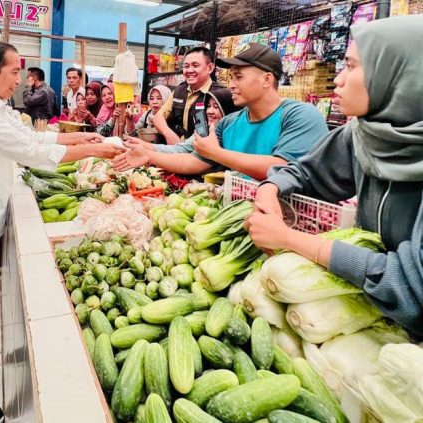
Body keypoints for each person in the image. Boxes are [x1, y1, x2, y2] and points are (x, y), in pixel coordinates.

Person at [0, 41, 124, 422]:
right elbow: (30, 152)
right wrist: (95, 152)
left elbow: (36, 138)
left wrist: (78, 138)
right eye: (13, 73)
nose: (19, 81)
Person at [246, 16, 423, 340]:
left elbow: (414, 287)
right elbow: (306, 171)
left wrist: (292, 240)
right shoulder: (363, 135)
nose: (338, 81)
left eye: (351, 67)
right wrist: (271, 188)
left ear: (400, 76)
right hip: (372, 310)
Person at [113, 43, 328, 181]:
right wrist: (149, 154)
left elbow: (281, 168)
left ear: (267, 79)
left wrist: (216, 153)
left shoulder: (301, 116)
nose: (231, 85)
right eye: (231, 77)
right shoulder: (230, 123)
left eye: (239, 77)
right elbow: (194, 160)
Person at [127, 86, 239, 152]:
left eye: (216, 107)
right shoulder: (203, 130)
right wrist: (144, 146)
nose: (209, 111)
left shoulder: (234, 133)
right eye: (208, 106)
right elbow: (181, 149)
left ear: (210, 67)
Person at [153, 47, 225, 145]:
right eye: (186, 66)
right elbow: (158, 117)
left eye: (195, 65)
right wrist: (169, 135)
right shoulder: (179, 90)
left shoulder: (221, 95)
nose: (189, 70)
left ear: (210, 68)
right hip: (177, 150)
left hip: (202, 151)